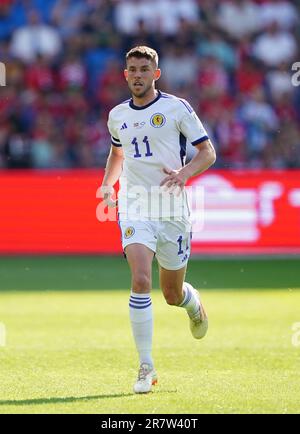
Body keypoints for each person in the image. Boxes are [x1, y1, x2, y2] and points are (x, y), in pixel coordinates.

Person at [100, 46, 216, 394]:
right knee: (139, 279)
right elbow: (117, 152)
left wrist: (184, 173)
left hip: (172, 211)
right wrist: (107, 183)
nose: (137, 74)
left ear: (156, 74)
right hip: (135, 205)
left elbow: (207, 152)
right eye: (131, 69)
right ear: (125, 75)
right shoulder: (117, 115)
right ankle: (146, 366)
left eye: (143, 69)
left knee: (170, 292)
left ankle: (191, 302)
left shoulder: (177, 108)